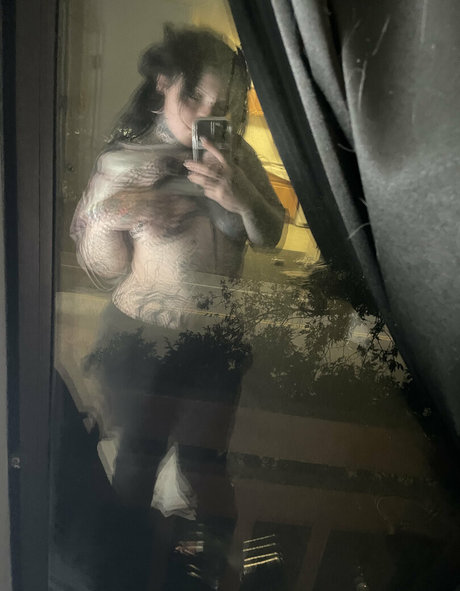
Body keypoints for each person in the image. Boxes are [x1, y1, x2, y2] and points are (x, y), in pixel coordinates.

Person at [70, 24, 284, 588]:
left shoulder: (236, 158)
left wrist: (238, 194)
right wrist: (127, 210)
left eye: (223, 104)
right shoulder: (126, 162)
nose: (206, 114)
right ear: (165, 82)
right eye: (195, 96)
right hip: (143, 337)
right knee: (137, 462)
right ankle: (120, 573)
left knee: (207, 465)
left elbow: (269, 233)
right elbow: (102, 265)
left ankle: (210, 574)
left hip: (216, 341)